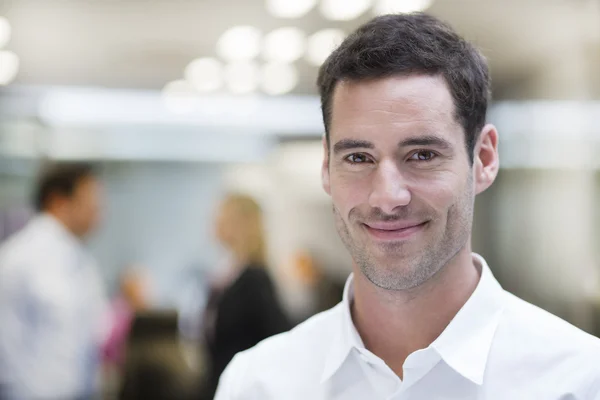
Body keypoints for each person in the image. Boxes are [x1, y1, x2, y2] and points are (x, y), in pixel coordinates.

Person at [214, 13, 600, 400]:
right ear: (326, 167)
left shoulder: (579, 381)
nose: (387, 197)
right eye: (358, 158)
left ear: (482, 159)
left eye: (421, 155)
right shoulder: (258, 383)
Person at [0, 162, 109, 400]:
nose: (99, 208)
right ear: (59, 202)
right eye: (90, 198)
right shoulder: (18, 259)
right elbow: (5, 349)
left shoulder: (82, 261)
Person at [200, 193, 290, 399]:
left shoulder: (255, 279)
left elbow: (275, 336)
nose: (215, 224)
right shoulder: (226, 273)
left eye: (222, 218)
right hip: (219, 382)